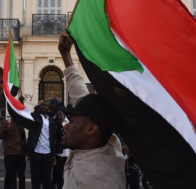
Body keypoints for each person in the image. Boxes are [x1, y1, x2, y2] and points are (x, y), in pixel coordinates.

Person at [58, 32, 126, 188]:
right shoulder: (103, 142)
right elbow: (80, 96)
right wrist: (66, 54)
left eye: (72, 121)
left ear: (91, 129)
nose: (66, 125)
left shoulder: (97, 180)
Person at [25, 100, 57, 189]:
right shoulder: (34, 117)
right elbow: (26, 114)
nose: (43, 106)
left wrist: (53, 154)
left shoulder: (51, 120)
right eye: (42, 105)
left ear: (48, 108)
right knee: (36, 177)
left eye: (46, 105)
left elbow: (52, 138)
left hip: (47, 153)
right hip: (35, 152)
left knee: (47, 178)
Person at [0, 117, 28, 189]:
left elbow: (23, 138)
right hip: (10, 153)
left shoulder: (21, 121)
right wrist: (4, 127)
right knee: (9, 175)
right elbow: (0, 136)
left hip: (21, 154)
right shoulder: (6, 121)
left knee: (22, 175)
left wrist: (27, 152)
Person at [52, 111, 70, 189]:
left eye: (62, 112)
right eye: (59, 113)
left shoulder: (70, 120)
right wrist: (59, 124)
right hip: (60, 153)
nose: (60, 114)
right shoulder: (54, 121)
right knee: (59, 174)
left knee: (68, 173)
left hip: (69, 153)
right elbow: (55, 136)